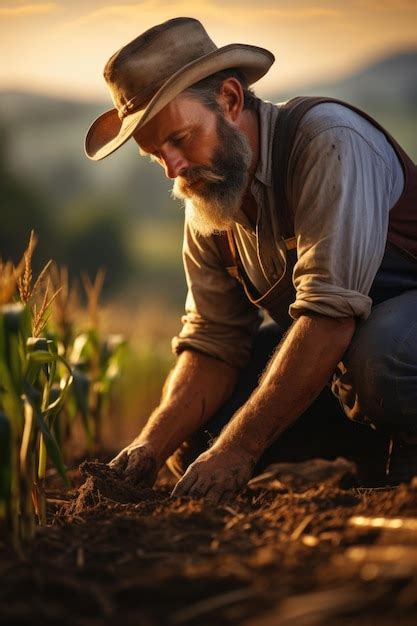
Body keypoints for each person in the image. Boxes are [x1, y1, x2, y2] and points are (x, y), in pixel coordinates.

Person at [85, 17, 417, 502]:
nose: (171, 170)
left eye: (179, 138)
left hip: (394, 347)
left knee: (385, 353)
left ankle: (404, 465)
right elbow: (213, 340)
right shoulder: (208, 196)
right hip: (345, 362)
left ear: (230, 99)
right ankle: (369, 443)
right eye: (156, 153)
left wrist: (239, 449)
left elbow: (328, 316)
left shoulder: (330, 142)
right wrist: (148, 446)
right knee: (196, 432)